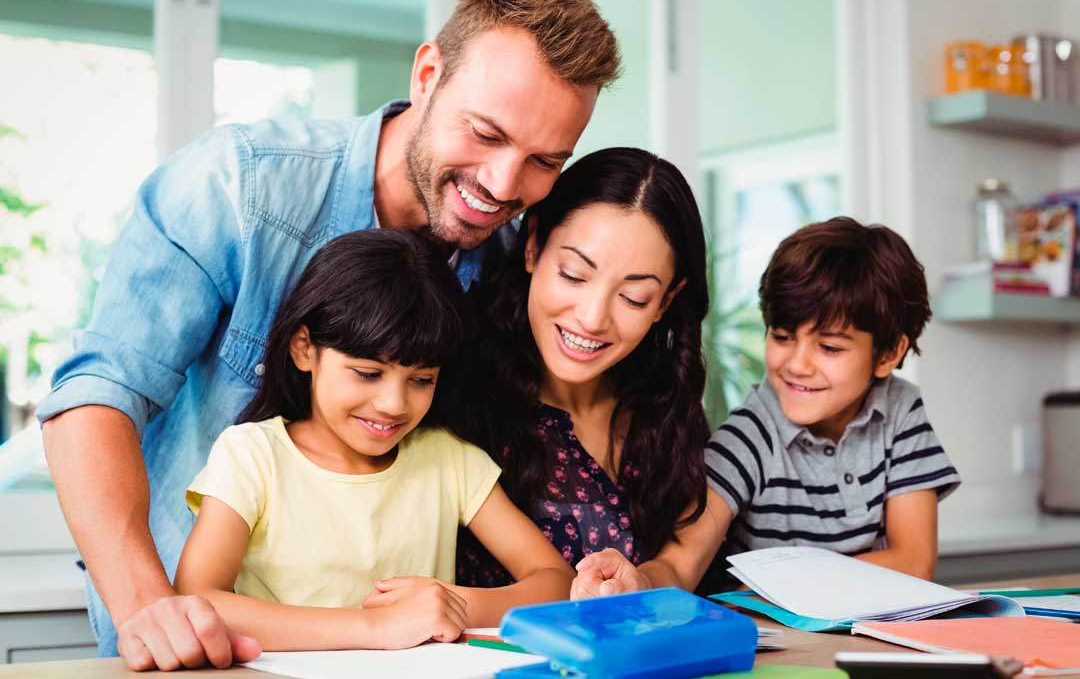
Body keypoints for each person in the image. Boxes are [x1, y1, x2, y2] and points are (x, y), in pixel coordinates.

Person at [37, 0, 619, 670]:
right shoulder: (242, 185)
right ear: (429, 73)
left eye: (543, 162)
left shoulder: (508, 259)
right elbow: (98, 394)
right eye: (485, 133)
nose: (502, 185)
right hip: (185, 652)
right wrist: (151, 612)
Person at [173, 230, 571, 653]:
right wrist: (375, 628)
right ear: (305, 349)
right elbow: (196, 600)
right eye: (368, 373)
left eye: (421, 380)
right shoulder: (252, 456)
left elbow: (557, 581)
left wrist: (459, 605)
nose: (393, 404)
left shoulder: (449, 460)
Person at [571, 217, 961, 599]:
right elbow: (680, 563)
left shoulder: (900, 409)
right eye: (782, 336)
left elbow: (914, 562)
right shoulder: (750, 437)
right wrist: (638, 584)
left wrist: (778, 584)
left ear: (888, 354)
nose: (797, 364)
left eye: (829, 347)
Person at [453, 147, 712, 588]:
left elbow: (679, 563)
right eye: (573, 274)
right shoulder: (458, 397)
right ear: (533, 246)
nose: (593, 318)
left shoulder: (664, 409)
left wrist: (638, 584)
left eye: (634, 298)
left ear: (666, 302)